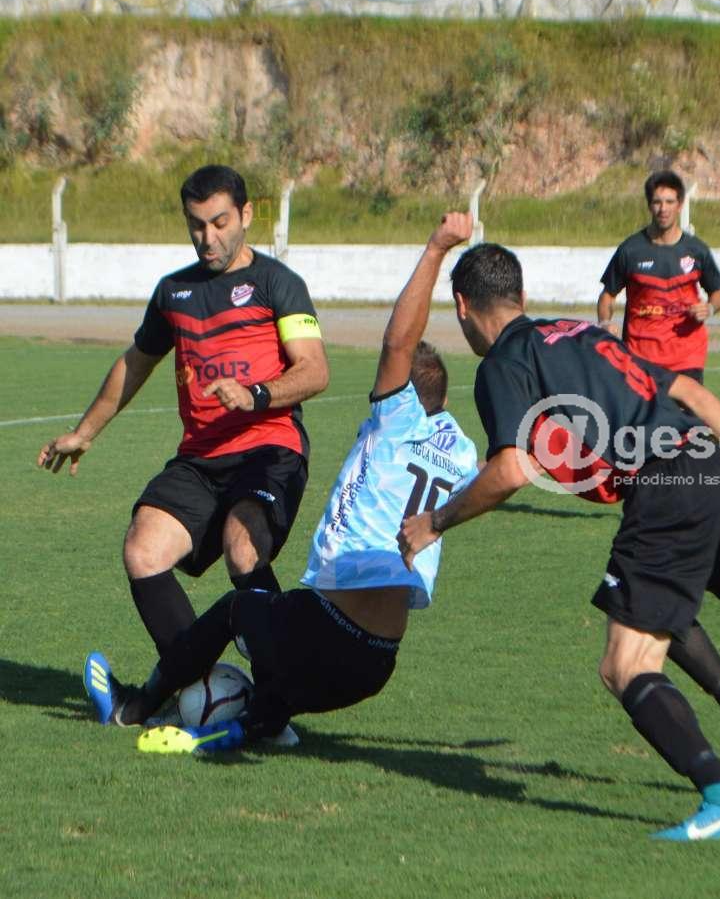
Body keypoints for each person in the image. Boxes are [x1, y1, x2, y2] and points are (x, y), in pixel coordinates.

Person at [398, 242, 720, 842]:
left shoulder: (503, 364)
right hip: (715, 472)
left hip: (669, 487)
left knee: (624, 665)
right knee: (652, 607)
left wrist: (434, 523)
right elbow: (691, 394)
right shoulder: (577, 332)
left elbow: (510, 471)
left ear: (462, 306)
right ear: (522, 297)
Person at [82, 213, 479, 754]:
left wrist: (435, 248)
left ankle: (135, 706)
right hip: (376, 664)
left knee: (238, 609)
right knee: (278, 664)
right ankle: (256, 724)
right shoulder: (460, 451)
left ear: (402, 393)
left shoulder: (395, 418)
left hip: (329, 631)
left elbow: (397, 344)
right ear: (445, 403)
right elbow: (502, 468)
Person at [38, 165, 329, 659]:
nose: (207, 238)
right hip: (200, 459)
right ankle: (200, 684)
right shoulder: (173, 292)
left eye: (219, 223)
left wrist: (255, 394)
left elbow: (315, 370)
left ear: (246, 215)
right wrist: (84, 432)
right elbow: (135, 363)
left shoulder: (278, 283)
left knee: (243, 543)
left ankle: (283, 683)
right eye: (196, 225)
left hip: (268, 448)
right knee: (143, 549)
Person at [597, 170, 720, 381]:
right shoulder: (630, 250)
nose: (663, 209)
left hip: (687, 357)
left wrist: (709, 308)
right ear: (649, 205)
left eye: (669, 202)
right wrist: (604, 323)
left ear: (680, 205)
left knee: (688, 404)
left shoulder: (696, 250)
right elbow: (607, 296)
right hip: (640, 356)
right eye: (657, 202)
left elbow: (717, 293)